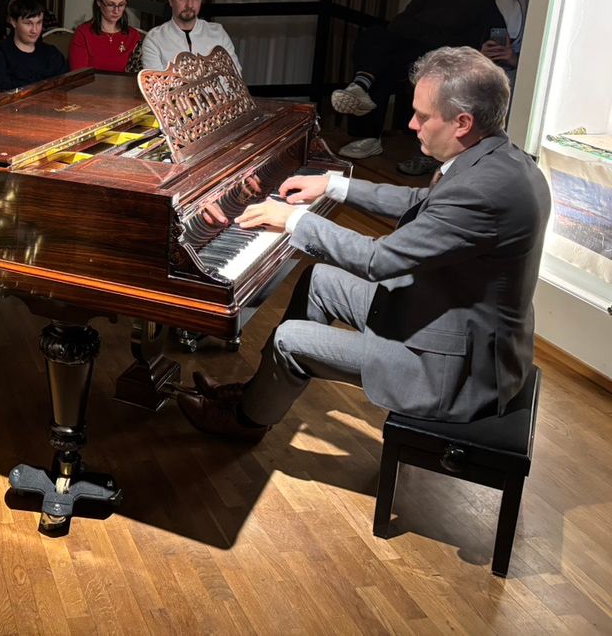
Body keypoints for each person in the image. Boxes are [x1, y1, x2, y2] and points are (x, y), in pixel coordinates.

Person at [178, 47, 550, 442]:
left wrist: (294, 220)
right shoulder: (497, 159)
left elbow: (379, 259)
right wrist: (333, 185)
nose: (411, 124)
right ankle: (256, 395)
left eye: (423, 116)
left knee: (291, 340)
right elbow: (422, 202)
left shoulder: (484, 190)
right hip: (447, 322)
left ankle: (245, 422)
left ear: (463, 122)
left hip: (456, 372)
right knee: (319, 281)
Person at [331, 0, 504, 160]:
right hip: (416, 50)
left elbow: (454, 22)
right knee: (377, 41)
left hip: (449, 54)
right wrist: (427, 25)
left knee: (386, 56)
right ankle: (361, 89)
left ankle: (363, 101)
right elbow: (398, 24)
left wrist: (420, 24)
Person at [398, 0, 538, 177]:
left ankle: (497, 165)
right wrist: (484, 54)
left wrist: (515, 59)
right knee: (461, 87)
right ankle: (442, 153)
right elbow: (490, 34)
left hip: (527, 71)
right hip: (499, 66)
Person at [140, 0, 241, 72]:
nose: (190, 5)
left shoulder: (218, 33)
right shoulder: (154, 39)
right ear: (170, 0)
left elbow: (235, 75)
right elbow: (155, 82)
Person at [0, 0, 68, 90]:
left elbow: (65, 85)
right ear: (13, 22)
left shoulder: (52, 54)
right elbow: (1, 90)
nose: (34, 30)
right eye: (28, 23)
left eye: (39, 22)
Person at [68, 0, 144, 73]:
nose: (116, 10)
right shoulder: (83, 34)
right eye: (111, 4)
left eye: (121, 5)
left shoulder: (133, 36)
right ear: (99, 2)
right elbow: (79, 75)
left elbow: (138, 75)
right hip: (90, 83)